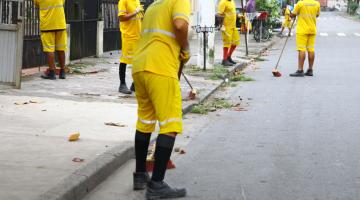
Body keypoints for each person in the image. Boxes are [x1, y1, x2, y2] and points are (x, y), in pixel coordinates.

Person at [131, 0, 190, 198]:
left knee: (145, 121)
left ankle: (140, 175)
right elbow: (181, 25)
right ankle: (156, 184)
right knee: (170, 125)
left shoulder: (154, 5)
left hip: (140, 65)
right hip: (161, 67)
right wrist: (186, 48)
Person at [35, 0, 67, 80]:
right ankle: (62, 72)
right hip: (60, 24)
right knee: (61, 48)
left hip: (48, 26)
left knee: (50, 49)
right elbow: (63, 2)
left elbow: (37, 4)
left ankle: (52, 73)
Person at [117, 0, 143, 94]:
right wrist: (135, 12)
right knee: (125, 60)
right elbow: (121, 18)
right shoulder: (123, 1)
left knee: (139, 61)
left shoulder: (137, 1)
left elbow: (138, 18)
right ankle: (122, 84)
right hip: (128, 36)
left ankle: (135, 84)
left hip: (138, 36)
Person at [290, 0, 320, 77]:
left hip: (302, 30)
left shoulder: (300, 3)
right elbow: (317, 15)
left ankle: (300, 70)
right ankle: (310, 70)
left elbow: (292, 15)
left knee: (302, 49)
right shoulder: (316, 4)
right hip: (312, 30)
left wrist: (292, 14)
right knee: (311, 49)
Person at [217, 0, 240, 66]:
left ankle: (228, 57)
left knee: (235, 42)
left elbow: (232, 12)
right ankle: (224, 60)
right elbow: (219, 15)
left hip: (233, 26)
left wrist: (239, 16)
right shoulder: (223, 2)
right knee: (227, 43)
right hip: (226, 27)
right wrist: (221, 25)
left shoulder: (232, 1)